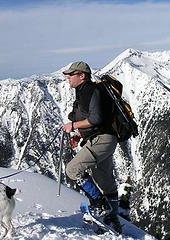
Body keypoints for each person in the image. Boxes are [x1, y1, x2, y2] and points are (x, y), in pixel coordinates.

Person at [61, 61, 122, 233]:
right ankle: (112, 219)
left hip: (101, 140)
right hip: (106, 139)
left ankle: (100, 205)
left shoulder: (88, 90)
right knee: (105, 182)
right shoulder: (86, 92)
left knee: (72, 170)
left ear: (82, 76)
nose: (68, 77)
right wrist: (79, 134)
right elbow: (95, 121)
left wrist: (72, 126)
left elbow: (96, 119)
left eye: (71, 74)